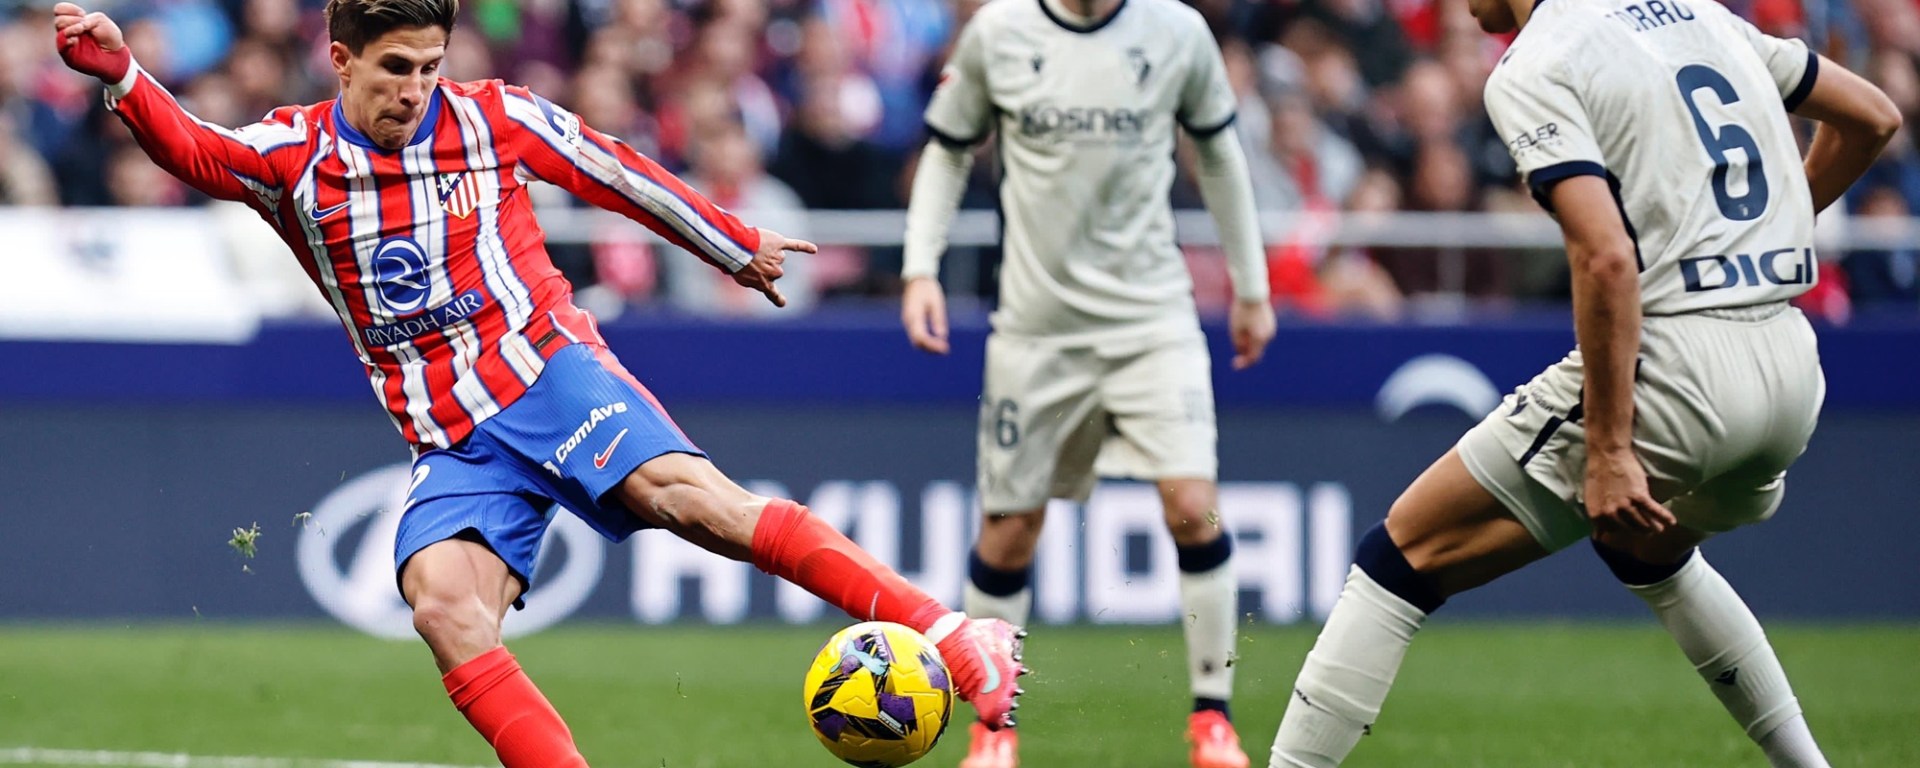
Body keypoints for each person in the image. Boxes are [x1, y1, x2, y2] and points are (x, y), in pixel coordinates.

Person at [51, 2, 1027, 765]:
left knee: (694, 503)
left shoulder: (493, 118)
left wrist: (733, 245)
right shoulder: (294, 158)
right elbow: (197, 150)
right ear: (341, 60)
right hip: (452, 437)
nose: (416, 89)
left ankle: (950, 633)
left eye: (431, 66)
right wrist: (126, 77)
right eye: (396, 68)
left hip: (546, 371)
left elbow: (615, 171)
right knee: (442, 607)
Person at [1264, 0, 1902, 765]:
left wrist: (1608, 450)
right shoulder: (1704, 16)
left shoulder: (1540, 59)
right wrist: (1759, 238)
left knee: (1399, 558)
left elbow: (1605, 257)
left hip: (1680, 368)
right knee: (1647, 552)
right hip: (1790, 366)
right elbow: (1873, 117)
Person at [898, 0, 1276, 765]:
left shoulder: (1177, 32)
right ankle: (993, 730)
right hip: (1036, 333)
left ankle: (1213, 719)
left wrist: (1252, 286)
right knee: (1010, 530)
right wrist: (919, 268)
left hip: (1152, 322)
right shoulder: (1000, 34)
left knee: (1193, 506)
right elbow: (947, 150)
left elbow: (1219, 153)